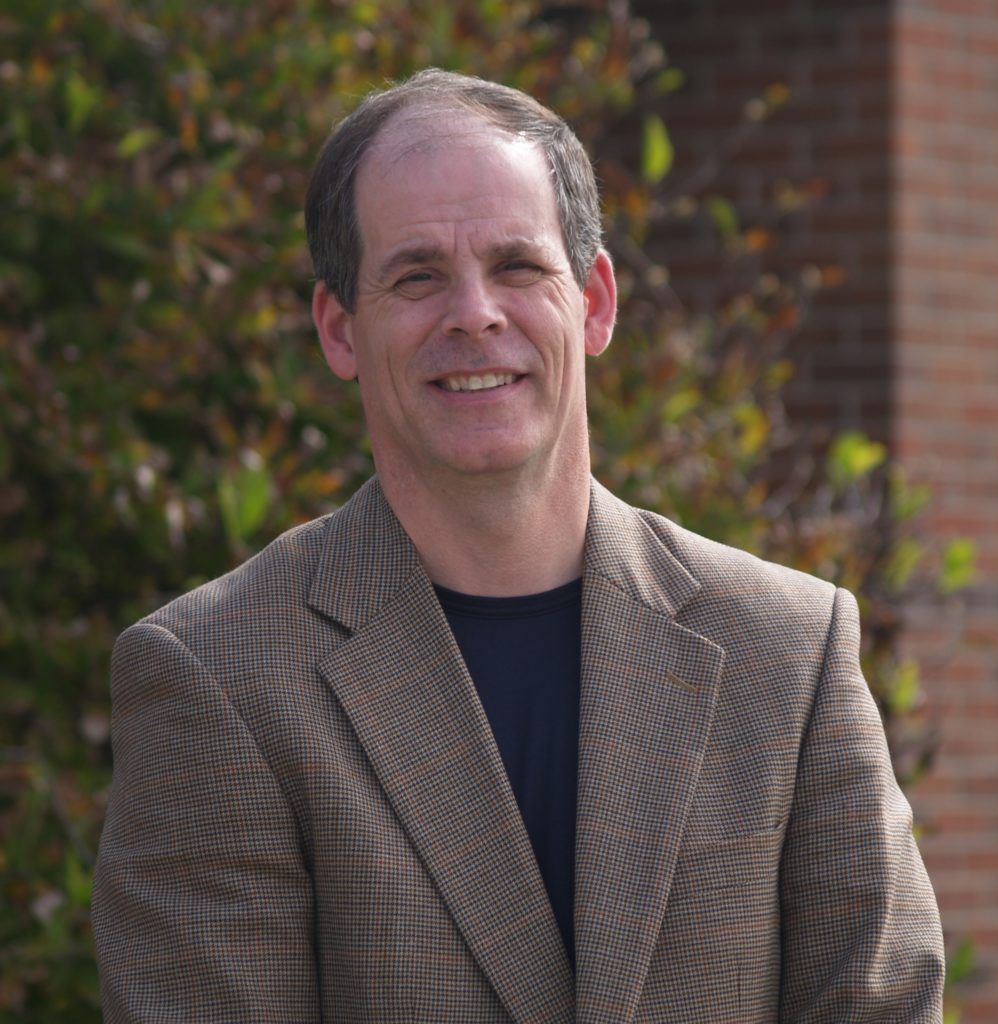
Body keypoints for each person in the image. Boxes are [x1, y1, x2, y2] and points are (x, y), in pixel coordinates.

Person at [92, 68, 945, 1022]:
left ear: (594, 301)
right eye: (417, 276)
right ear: (339, 328)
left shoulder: (788, 651)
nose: (474, 314)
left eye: (517, 267)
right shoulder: (217, 677)